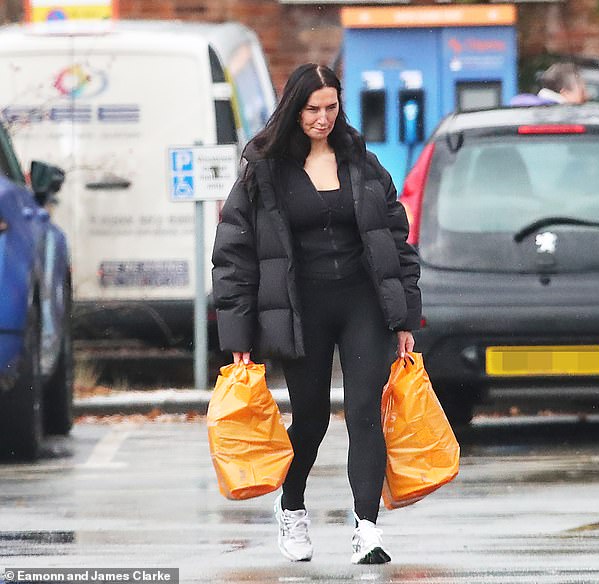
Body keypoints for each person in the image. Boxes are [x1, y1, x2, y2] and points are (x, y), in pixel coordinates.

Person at [212, 63, 421, 565]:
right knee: (310, 419)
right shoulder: (264, 170)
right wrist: (239, 332)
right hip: (300, 308)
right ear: (294, 109)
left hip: (361, 305)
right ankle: (292, 506)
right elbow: (234, 253)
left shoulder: (362, 163)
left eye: (330, 108)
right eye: (312, 109)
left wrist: (405, 318)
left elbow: (396, 240)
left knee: (365, 412)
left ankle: (367, 529)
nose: (323, 119)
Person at [510, 62, 588, 106]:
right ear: (565, 93)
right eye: (582, 93)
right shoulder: (569, 121)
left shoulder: (521, 112)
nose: (587, 96)